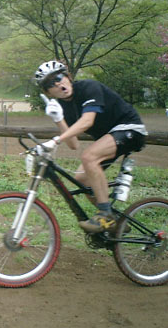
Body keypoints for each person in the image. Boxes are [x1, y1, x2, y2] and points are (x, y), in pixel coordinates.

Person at [34, 60, 147, 233]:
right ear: (48, 92)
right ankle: (114, 222)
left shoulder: (88, 87)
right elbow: (73, 144)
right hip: (111, 137)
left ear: (68, 77)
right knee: (81, 179)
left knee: (89, 156)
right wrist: (58, 119)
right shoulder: (63, 106)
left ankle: (105, 214)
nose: (58, 83)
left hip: (130, 128)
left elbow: (88, 121)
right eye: (51, 83)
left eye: (59, 77)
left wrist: (55, 140)